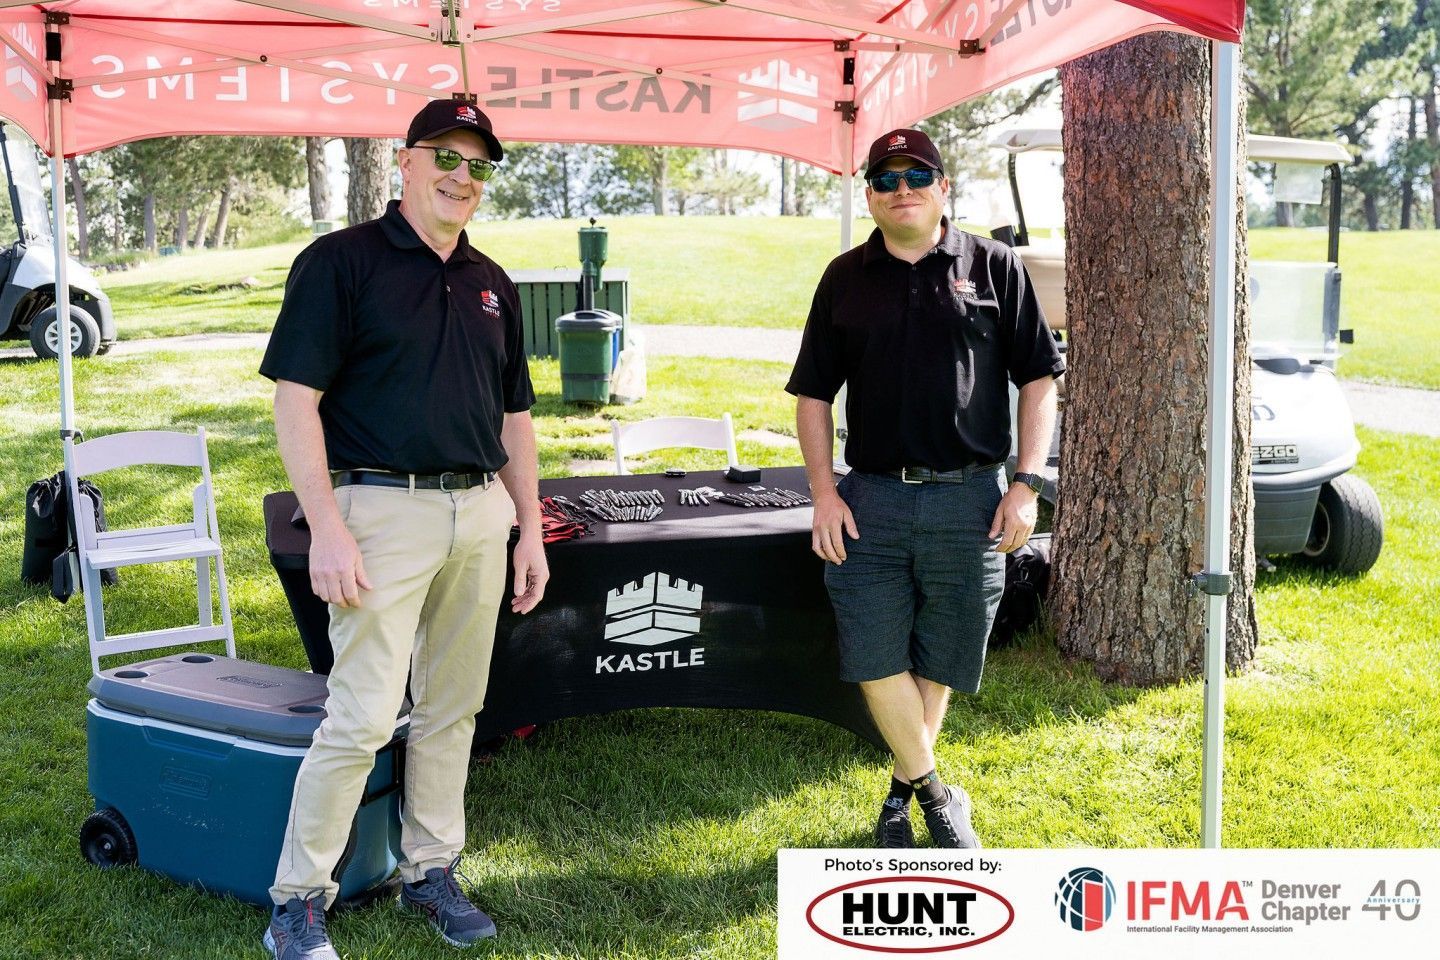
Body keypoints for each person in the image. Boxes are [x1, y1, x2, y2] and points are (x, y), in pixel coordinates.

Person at [258, 98, 548, 958]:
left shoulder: (493, 281)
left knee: (455, 709)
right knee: (361, 714)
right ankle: (298, 900)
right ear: (405, 162)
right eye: (446, 157)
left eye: (479, 166)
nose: (463, 177)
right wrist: (327, 529)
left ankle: (431, 869)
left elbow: (516, 420)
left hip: (478, 514)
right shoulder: (339, 263)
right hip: (378, 512)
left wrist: (527, 527)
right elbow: (294, 402)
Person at [787, 128, 1062, 850]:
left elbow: (1039, 379)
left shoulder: (995, 266)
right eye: (884, 178)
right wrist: (823, 492)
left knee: (942, 656)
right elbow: (812, 395)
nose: (900, 187)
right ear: (869, 193)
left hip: (973, 500)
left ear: (945, 187)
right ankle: (938, 795)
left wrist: (1026, 485)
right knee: (875, 655)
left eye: (916, 174)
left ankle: (898, 797)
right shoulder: (844, 277)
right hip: (869, 498)